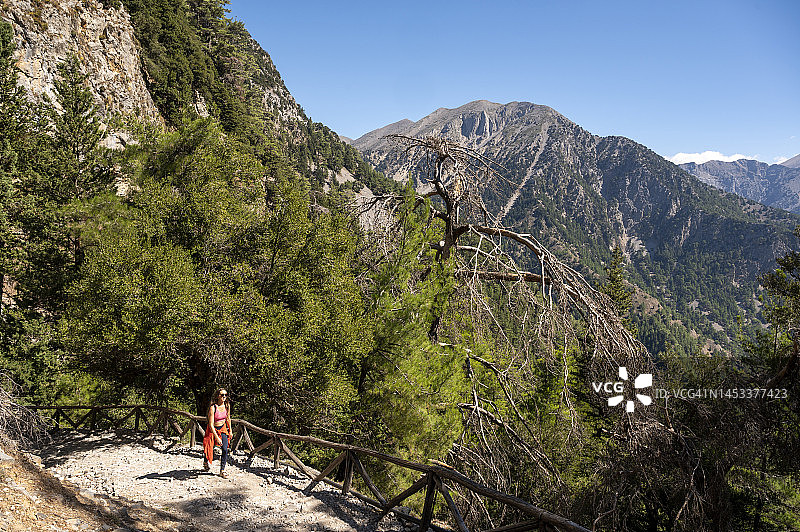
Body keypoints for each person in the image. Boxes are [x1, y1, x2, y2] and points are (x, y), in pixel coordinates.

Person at [202, 388, 232, 478]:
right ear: (218, 396)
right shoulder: (213, 408)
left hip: (222, 428)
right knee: (209, 447)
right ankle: (205, 461)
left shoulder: (227, 406)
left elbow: (228, 418)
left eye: (225, 395)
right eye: (222, 395)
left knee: (225, 449)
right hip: (213, 429)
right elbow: (210, 424)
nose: (224, 397)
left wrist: (230, 430)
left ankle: (222, 470)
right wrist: (217, 437)